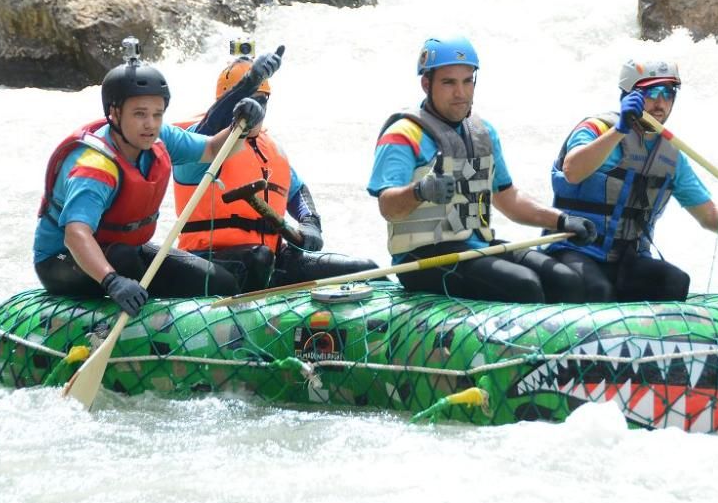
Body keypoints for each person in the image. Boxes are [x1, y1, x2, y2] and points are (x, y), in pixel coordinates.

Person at [34, 38, 268, 316]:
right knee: (124, 259)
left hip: (125, 251)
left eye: (157, 114)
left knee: (220, 282)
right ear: (114, 113)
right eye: (140, 114)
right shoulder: (94, 167)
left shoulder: (159, 137)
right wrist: (113, 281)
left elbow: (212, 149)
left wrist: (241, 125)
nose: (150, 124)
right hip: (62, 261)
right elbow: (76, 235)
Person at [367, 35, 596, 304]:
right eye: (449, 82)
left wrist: (561, 220)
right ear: (426, 84)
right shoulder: (402, 135)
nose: (461, 93)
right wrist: (420, 191)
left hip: (477, 247)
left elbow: (508, 199)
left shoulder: (483, 132)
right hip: (423, 260)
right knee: (524, 284)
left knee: (566, 280)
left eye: (467, 81)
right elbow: (388, 207)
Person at [547, 58, 718, 302]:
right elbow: (572, 171)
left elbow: (710, 217)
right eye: (651, 93)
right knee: (598, 290)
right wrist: (619, 130)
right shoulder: (596, 129)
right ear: (628, 95)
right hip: (575, 249)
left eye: (668, 93)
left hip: (628, 260)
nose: (661, 102)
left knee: (676, 282)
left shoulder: (671, 156)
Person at [172, 44, 378, 292]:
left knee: (365, 269)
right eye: (248, 102)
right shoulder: (200, 142)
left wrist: (310, 222)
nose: (256, 110)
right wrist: (248, 85)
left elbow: (296, 190)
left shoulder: (271, 149)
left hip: (271, 260)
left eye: (261, 101)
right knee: (259, 258)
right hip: (207, 261)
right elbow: (212, 124)